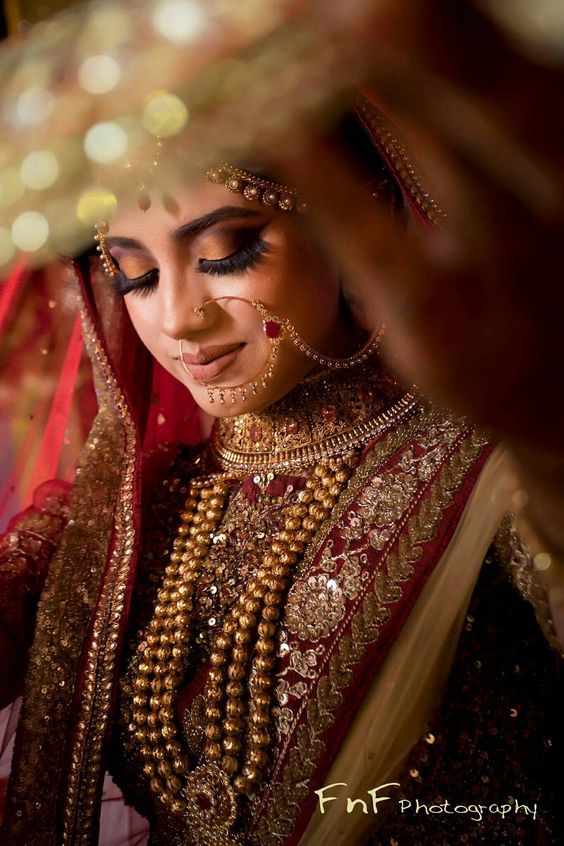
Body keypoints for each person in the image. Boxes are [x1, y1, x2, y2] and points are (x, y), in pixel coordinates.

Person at [0, 79, 562, 846]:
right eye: (137, 274)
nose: (177, 316)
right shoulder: (134, 515)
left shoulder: (491, 466)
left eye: (228, 252)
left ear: (355, 225)